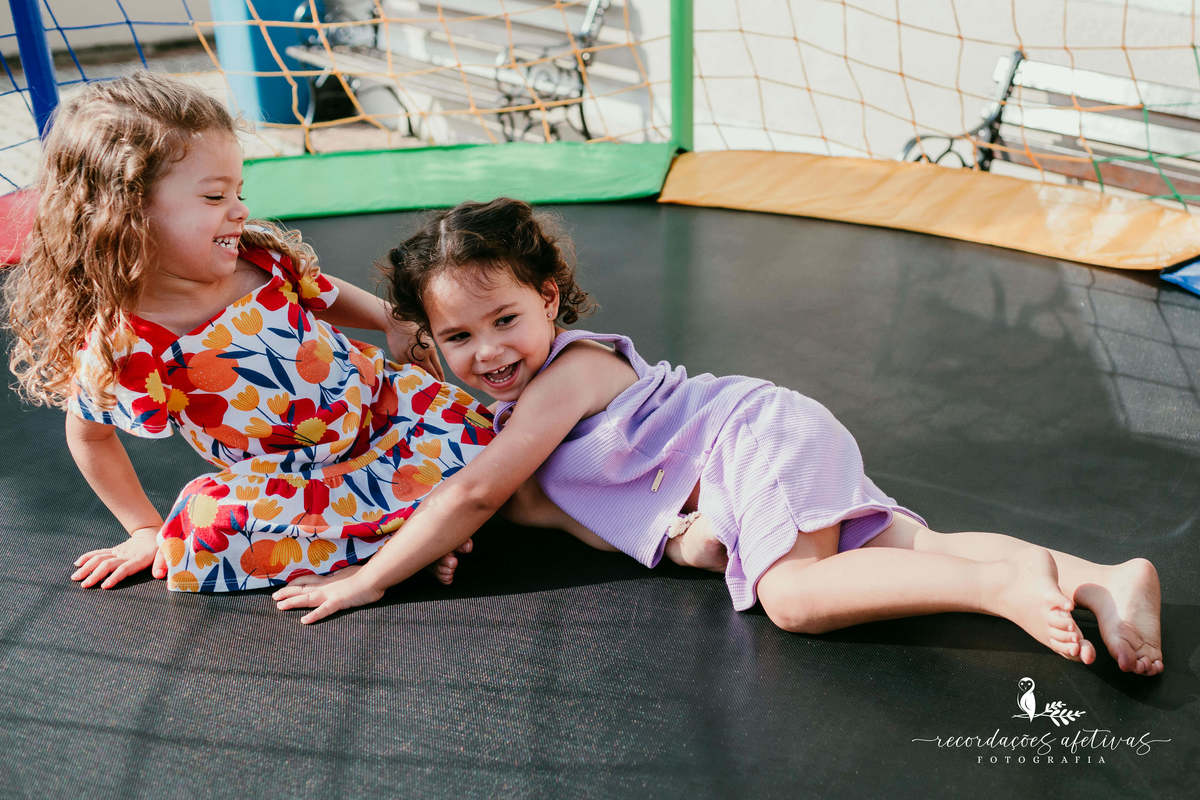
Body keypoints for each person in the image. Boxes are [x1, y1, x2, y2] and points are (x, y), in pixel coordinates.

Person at [274, 198, 1164, 678]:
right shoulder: (504, 392)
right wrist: (268, 263)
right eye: (460, 338)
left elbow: (475, 492)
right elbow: (536, 496)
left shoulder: (568, 374)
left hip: (753, 435)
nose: (488, 352)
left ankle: (996, 586)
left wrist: (368, 577)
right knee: (904, 548)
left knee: (795, 597)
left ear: (548, 298)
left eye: (505, 318)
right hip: (755, 451)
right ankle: (1103, 578)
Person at [2, 72, 502, 593]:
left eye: (238, 192)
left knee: (474, 431)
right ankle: (414, 540)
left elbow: (323, 292)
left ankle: (403, 538)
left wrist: (389, 318)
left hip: (381, 418)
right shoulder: (130, 342)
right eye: (214, 196)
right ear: (126, 214)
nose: (239, 209)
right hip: (293, 484)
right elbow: (89, 435)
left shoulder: (257, 259)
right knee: (206, 528)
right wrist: (144, 528)